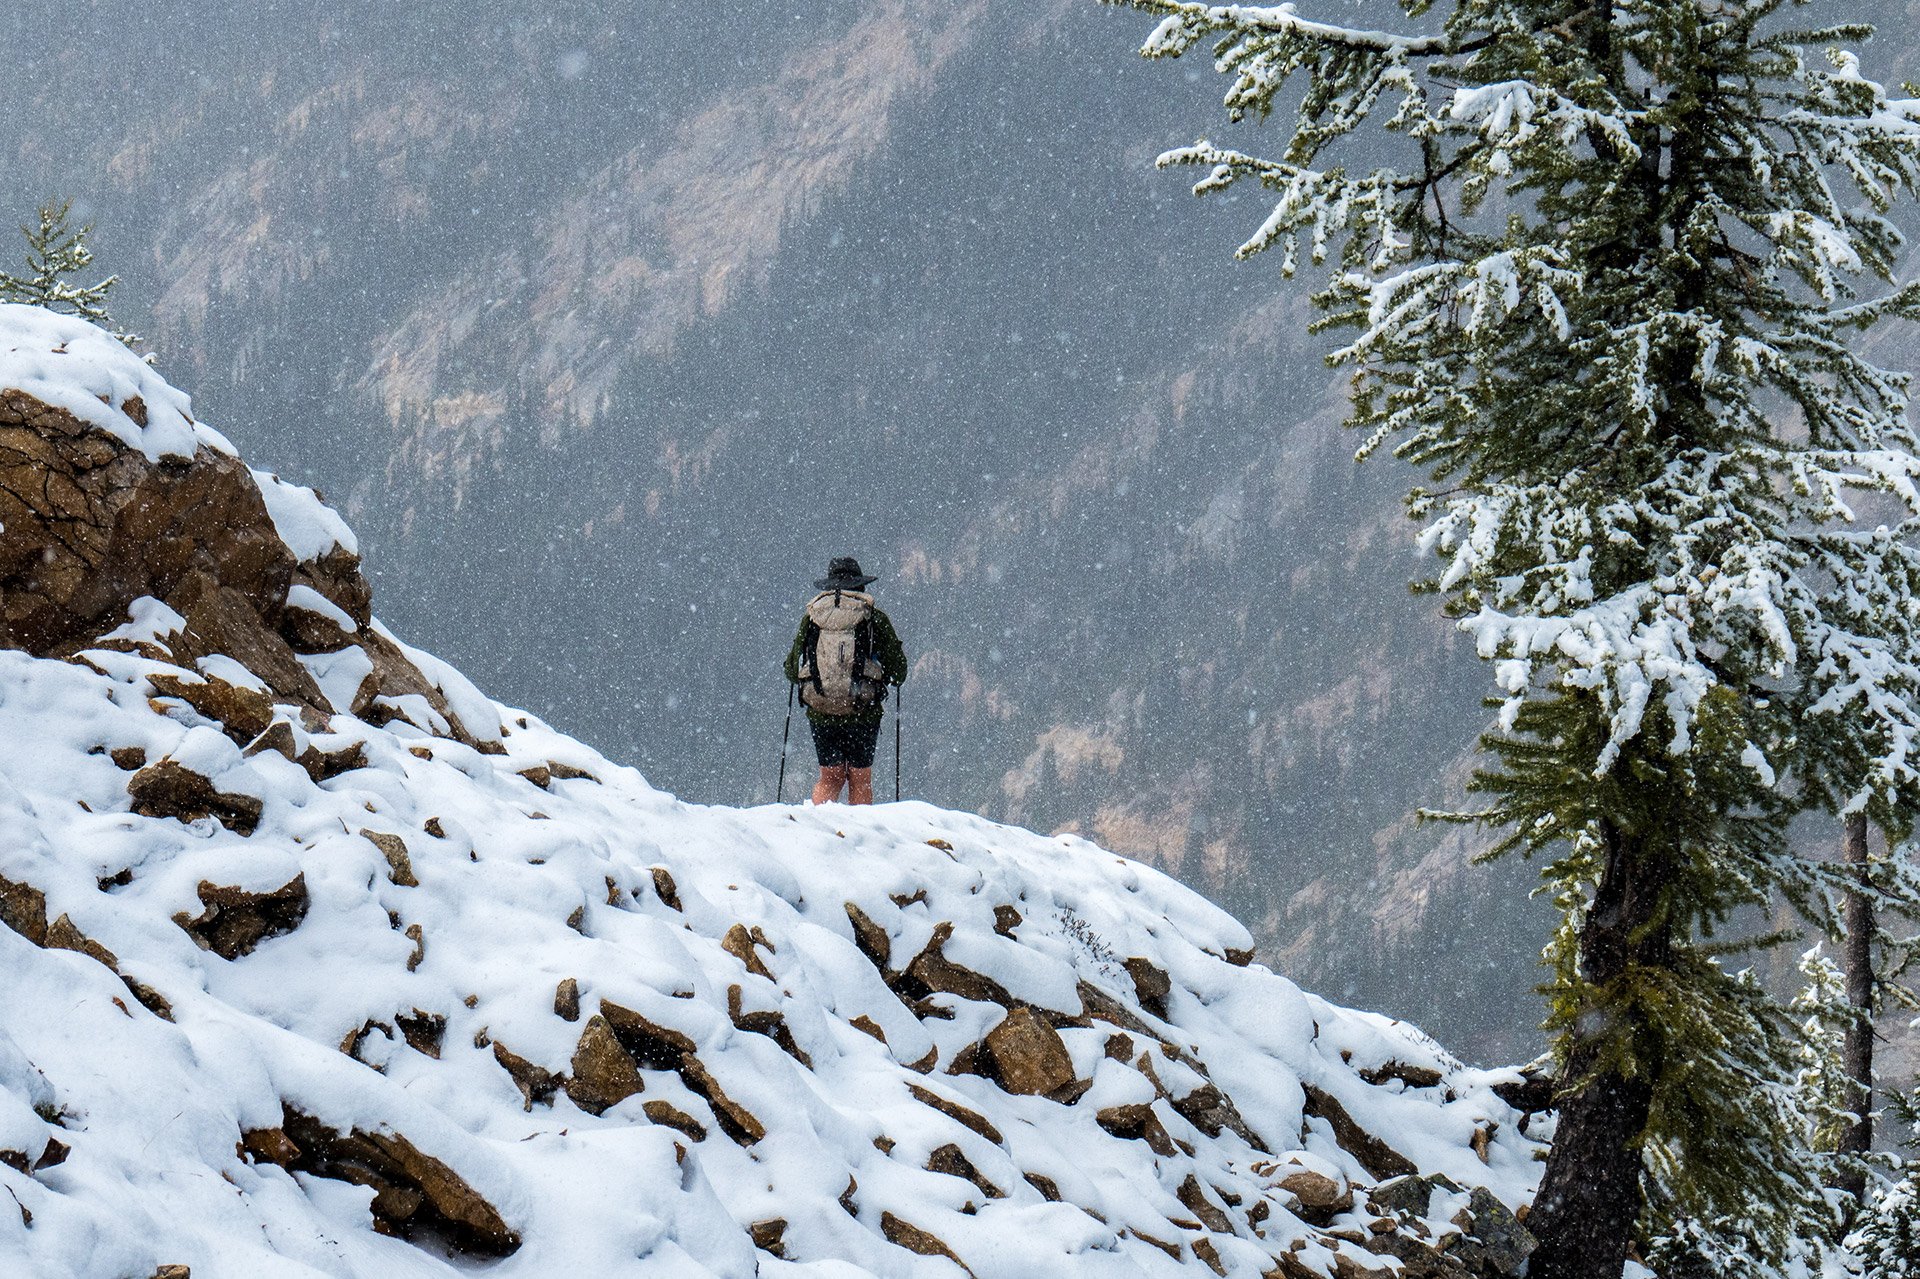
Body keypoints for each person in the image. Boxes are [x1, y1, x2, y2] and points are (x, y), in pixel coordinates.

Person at [783, 556, 907, 805]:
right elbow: (898, 672)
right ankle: (858, 836)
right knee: (860, 778)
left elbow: (791, 669)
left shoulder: (812, 618)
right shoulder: (873, 617)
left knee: (830, 777)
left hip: (821, 709)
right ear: (860, 585)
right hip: (863, 709)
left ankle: (820, 830)